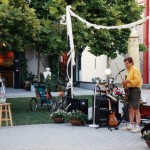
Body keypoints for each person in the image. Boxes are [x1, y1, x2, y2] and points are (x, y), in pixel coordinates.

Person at [122, 57, 142, 133]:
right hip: (129, 90)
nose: (126, 65)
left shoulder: (135, 69)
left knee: (136, 108)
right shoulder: (128, 71)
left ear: (131, 62)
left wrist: (128, 81)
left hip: (135, 90)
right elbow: (128, 81)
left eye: (127, 63)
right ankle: (130, 125)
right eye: (125, 64)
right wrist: (124, 83)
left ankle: (137, 126)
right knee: (130, 108)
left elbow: (137, 81)